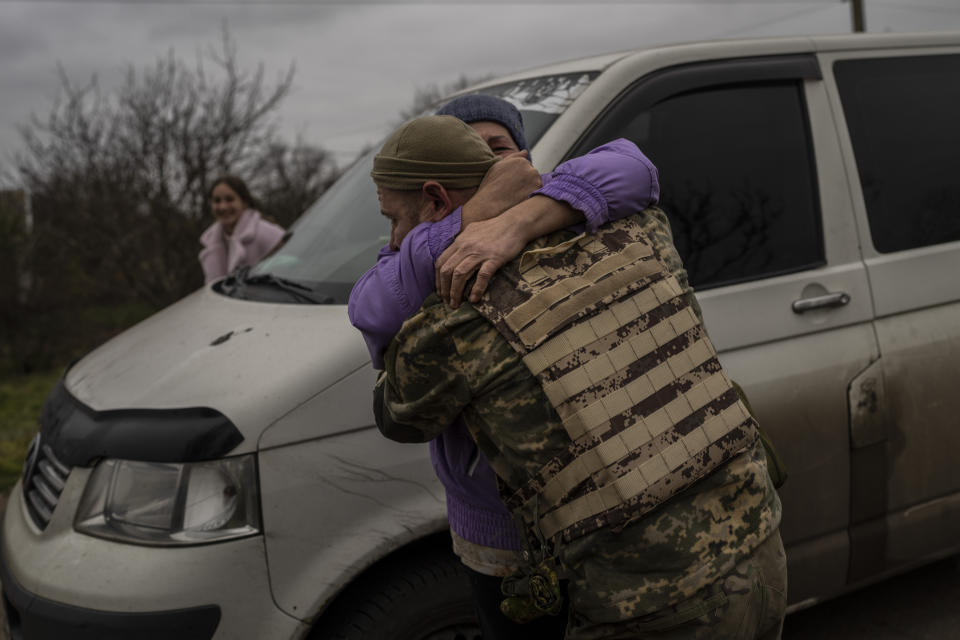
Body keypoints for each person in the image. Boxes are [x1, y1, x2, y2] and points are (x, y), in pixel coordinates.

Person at [368, 116, 786, 639]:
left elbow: (395, 413)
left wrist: (418, 266)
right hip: (760, 547)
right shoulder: (638, 228)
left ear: (433, 201)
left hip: (651, 607)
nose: (393, 238)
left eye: (393, 218)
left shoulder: (454, 324)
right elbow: (632, 171)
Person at [199, 175, 285, 284]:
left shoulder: (267, 233)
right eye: (217, 201)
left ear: (244, 202)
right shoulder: (212, 240)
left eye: (229, 199)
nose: (223, 207)